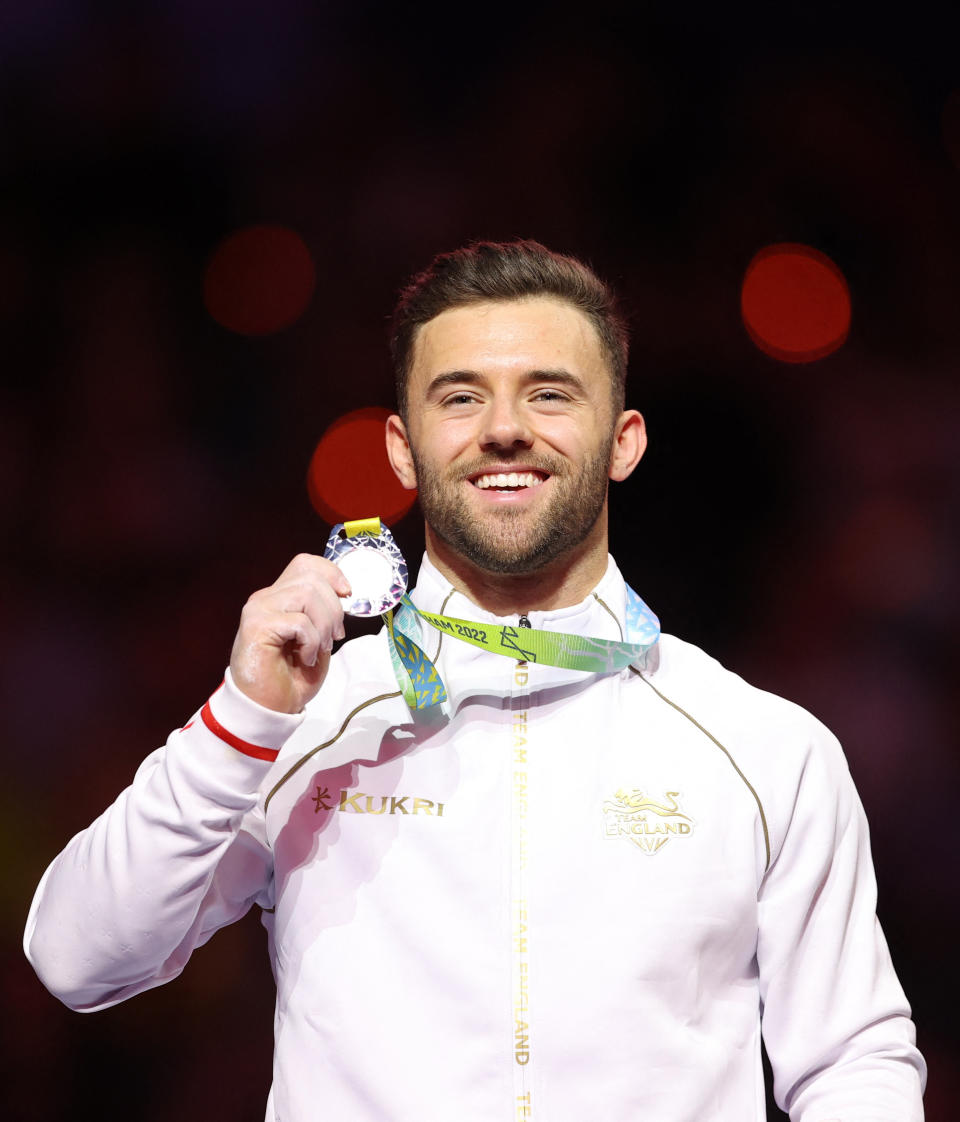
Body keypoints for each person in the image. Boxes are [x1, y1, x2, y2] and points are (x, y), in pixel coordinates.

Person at [25, 241, 925, 1120]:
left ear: (624, 442)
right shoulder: (305, 721)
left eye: (549, 393)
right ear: (402, 450)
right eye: (461, 397)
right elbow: (76, 957)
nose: (504, 427)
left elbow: (854, 1063)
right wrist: (240, 721)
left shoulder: (766, 748)